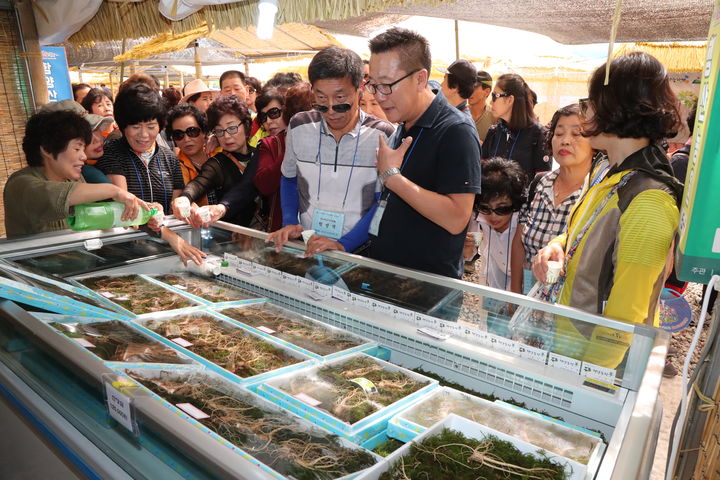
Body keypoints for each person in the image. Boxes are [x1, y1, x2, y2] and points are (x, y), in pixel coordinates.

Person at [532, 52, 683, 369]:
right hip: (571, 346)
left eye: (591, 102)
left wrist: (590, 380)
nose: (585, 112)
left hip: (597, 366)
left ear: (616, 107)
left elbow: (626, 314)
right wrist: (558, 246)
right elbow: (588, 232)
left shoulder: (649, 199)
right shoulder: (611, 173)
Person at [365, 27, 481, 278]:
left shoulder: (455, 131)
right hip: (388, 275)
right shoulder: (405, 123)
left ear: (420, 78)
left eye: (387, 85)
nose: (380, 96)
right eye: (373, 85)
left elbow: (457, 217)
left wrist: (393, 178)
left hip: (425, 288)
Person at [268, 46, 395, 256]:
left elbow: (383, 201)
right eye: (321, 100)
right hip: (309, 244)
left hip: (361, 251)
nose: (331, 110)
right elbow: (289, 178)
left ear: (359, 91)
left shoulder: (383, 136)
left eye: (340, 100)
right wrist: (290, 222)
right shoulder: (299, 126)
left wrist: (344, 244)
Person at [3, 109, 146, 237]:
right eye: (77, 149)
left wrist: (145, 211)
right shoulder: (20, 184)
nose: (83, 156)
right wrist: (114, 190)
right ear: (46, 149)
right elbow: (56, 196)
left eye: (83, 149)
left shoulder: (74, 180)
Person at [510, 104, 594, 295]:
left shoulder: (597, 192)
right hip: (531, 301)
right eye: (559, 133)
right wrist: (514, 294)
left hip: (571, 309)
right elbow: (519, 242)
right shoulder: (539, 184)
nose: (565, 141)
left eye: (576, 134)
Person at [97, 83, 184, 214]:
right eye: (135, 127)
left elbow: (175, 206)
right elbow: (124, 204)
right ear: (122, 126)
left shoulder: (170, 158)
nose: (144, 135)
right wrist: (153, 211)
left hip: (165, 230)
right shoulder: (111, 152)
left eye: (151, 127)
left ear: (160, 126)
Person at [171, 94, 256, 228]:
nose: (227, 136)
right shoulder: (217, 163)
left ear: (246, 125)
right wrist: (184, 198)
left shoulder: (261, 153)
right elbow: (199, 183)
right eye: (219, 131)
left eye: (232, 128)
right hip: (232, 237)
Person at [464, 158, 525, 336]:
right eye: (486, 208)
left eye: (502, 209)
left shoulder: (524, 221)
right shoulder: (479, 217)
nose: (493, 216)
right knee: (493, 330)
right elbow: (469, 254)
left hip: (522, 283)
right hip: (493, 279)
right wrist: (467, 246)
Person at [253, 83, 315, 232]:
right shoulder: (271, 144)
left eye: (274, 113)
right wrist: (292, 148)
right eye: (262, 117)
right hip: (284, 229)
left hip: (322, 228)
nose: (268, 121)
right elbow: (263, 184)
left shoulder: (330, 140)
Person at [482, 73, 548, 181]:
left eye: (494, 96)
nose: (490, 102)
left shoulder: (538, 134)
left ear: (510, 100)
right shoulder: (494, 132)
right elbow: (482, 172)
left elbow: (542, 181)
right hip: (492, 197)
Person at [166, 103, 211, 206]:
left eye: (192, 131)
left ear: (204, 131)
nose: (186, 139)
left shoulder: (220, 153)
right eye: (179, 135)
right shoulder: (175, 167)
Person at [468, 71, 495, 143]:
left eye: (474, 88)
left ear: (486, 92)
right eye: (468, 86)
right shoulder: (460, 113)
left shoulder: (495, 117)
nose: (469, 91)